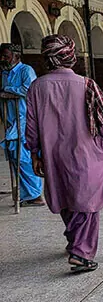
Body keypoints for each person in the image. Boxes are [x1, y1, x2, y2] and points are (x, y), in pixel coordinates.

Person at [25, 35, 103, 272]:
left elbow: (30, 125)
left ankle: (74, 241)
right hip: (85, 154)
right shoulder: (86, 84)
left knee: (67, 199)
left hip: (53, 155)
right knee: (88, 202)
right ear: (70, 57)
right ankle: (81, 253)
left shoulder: (36, 87)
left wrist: (34, 153)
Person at [0, 43, 45, 206]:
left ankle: (35, 194)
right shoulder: (4, 72)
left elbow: (29, 90)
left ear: (16, 55)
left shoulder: (26, 70)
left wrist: (8, 89)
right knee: (14, 156)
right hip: (12, 121)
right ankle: (26, 194)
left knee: (23, 157)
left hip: (25, 120)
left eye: (6, 56)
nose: (3, 59)